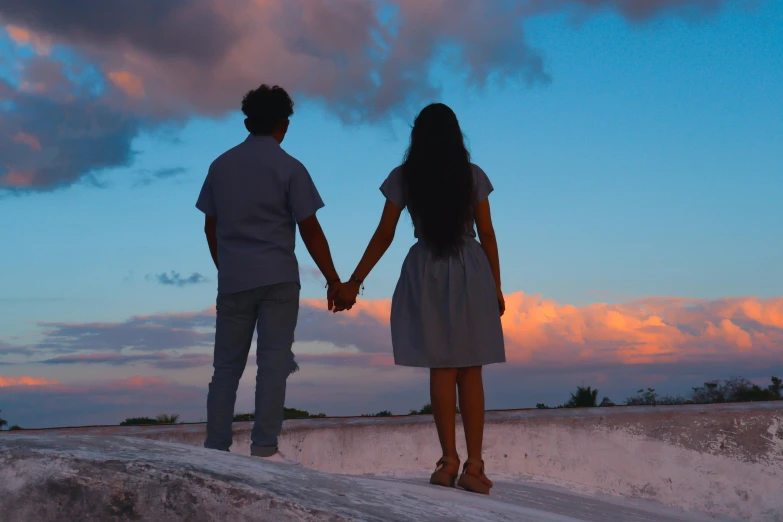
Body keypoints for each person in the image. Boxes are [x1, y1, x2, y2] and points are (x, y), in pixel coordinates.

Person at [334, 103, 506, 494]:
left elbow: (385, 233)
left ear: (418, 137)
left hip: (426, 266)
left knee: (441, 369)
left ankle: (448, 462)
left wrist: (354, 281)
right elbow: (488, 233)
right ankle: (475, 466)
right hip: (469, 267)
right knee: (471, 369)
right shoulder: (472, 176)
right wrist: (495, 284)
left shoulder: (405, 177)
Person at [196, 84, 342, 458]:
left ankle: (216, 448)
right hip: (278, 278)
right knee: (274, 363)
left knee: (225, 368)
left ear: (247, 122)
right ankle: (264, 446)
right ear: (284, 124)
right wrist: (333, 280)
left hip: (233, 280)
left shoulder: (220, 165)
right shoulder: (290, 167)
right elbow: (310, 229)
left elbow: (211, 227)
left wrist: (226, 266)